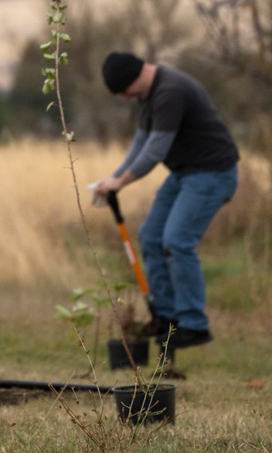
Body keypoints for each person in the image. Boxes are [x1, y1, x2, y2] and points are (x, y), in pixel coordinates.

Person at [90, 52, 240, 349]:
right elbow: (141, 141)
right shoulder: (148, 94)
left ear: (133, 78)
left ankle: (194, 324)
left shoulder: (170, 91)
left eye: (123, 91)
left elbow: (156, 150)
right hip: (185, 172)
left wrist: (120, 181)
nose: (124, 97)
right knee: (151, 237)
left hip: (212, 173)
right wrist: (114, 179)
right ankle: (167, 319)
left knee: (177, 240)